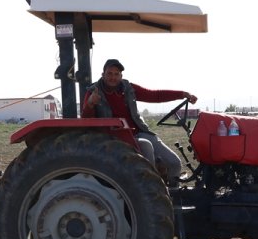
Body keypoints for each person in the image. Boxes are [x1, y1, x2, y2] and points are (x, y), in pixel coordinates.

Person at [82, 58, 197, 187]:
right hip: (115, 137)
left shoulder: (128, 88)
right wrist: (91, 103)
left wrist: (182, 94)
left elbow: (154, 95)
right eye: (109, 73)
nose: (113, 77)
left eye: (116, 74)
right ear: (103, 75)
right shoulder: (93, 92)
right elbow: (86, 119)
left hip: (139, 133)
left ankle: (174, 194)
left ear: (121, 76)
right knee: (146, 146)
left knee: (174, 162)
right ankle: (152, 189)